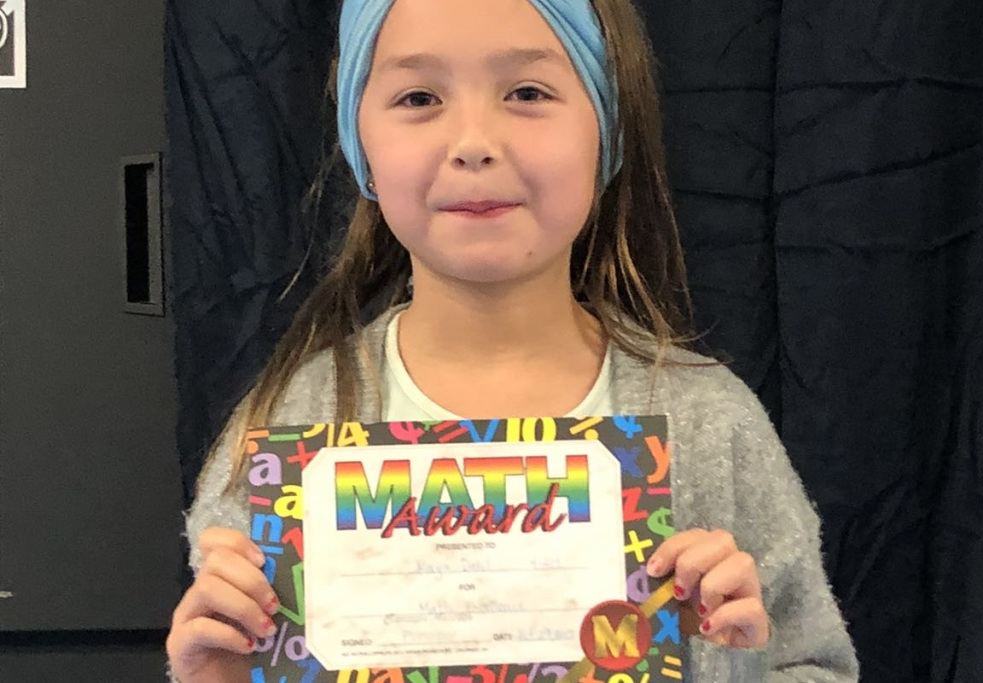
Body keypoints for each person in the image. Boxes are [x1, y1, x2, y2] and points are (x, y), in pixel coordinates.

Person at [165, 0, 860, 681]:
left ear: (608, 132)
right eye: (419, 98)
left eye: (527, 92)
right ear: (359, 145)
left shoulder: (710, 424)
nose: (474, 142)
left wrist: (740, 663)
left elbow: (814, 664)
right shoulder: (287, 426)